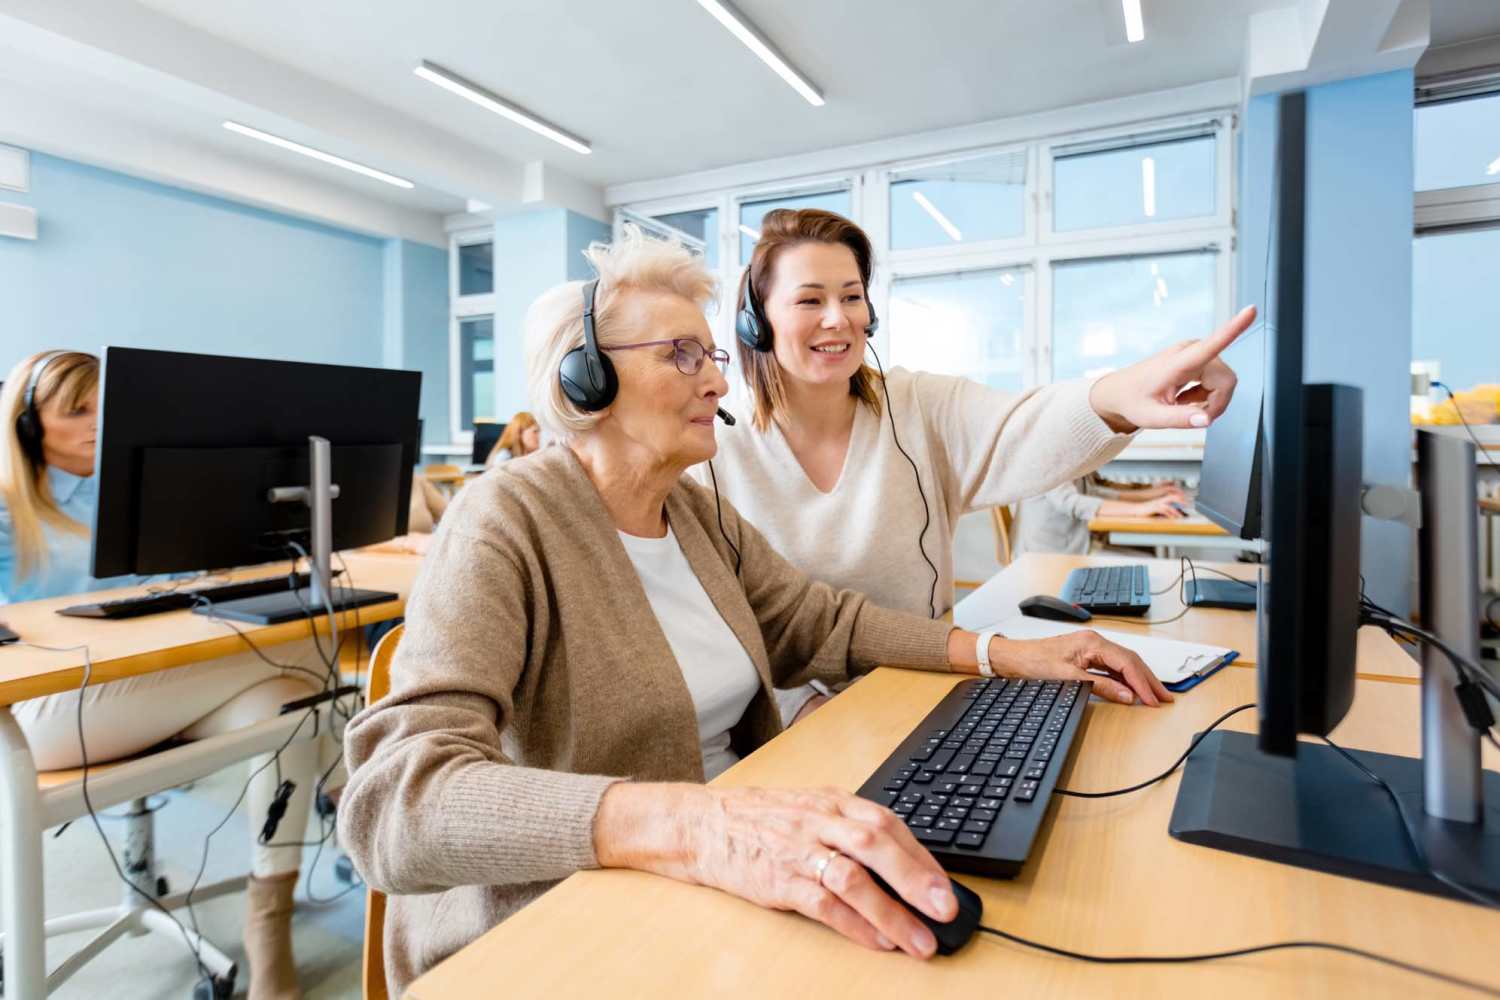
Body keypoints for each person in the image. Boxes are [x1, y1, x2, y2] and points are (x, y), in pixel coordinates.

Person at [336, 227, 1173, 996]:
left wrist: (1007, 654)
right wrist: (695, 824)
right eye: (682, 354)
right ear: (583, 381)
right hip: (556, 922)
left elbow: (823, 625)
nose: (717, 375)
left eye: (711, 352)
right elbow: (396, 805)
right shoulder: (505, 521)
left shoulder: (695, 515)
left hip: (715, 872)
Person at [696, 209, 1251, 723]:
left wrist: (1120, 394)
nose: (839, 320)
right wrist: (796, 707)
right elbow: (726, 628)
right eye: (810, 301)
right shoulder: (716, 449)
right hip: (799, 716)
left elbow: (1026, 424)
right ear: (757, 322)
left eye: (853, 297)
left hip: (933, 678)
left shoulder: (917, 405)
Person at [0, 350, 325, 1000]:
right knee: (300, 655)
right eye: (77, 410)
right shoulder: (9, 510)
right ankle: (352, 783)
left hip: (146, 692)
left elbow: (170, 590)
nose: (98, 424)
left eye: (106, 409)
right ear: (30, 424)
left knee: (295, 696)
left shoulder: (126, 494)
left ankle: (271, 926)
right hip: (45, 714)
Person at [1012, 475, 1190, 556]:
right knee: (1148, 564)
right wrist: (1140, 508)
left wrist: (1149, 494)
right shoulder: (1051, 449)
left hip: (1076, 543)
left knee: (1148, 555)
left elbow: (1094, 489)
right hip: (1049, 554)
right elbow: (1070, 501)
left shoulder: (1077, 449)